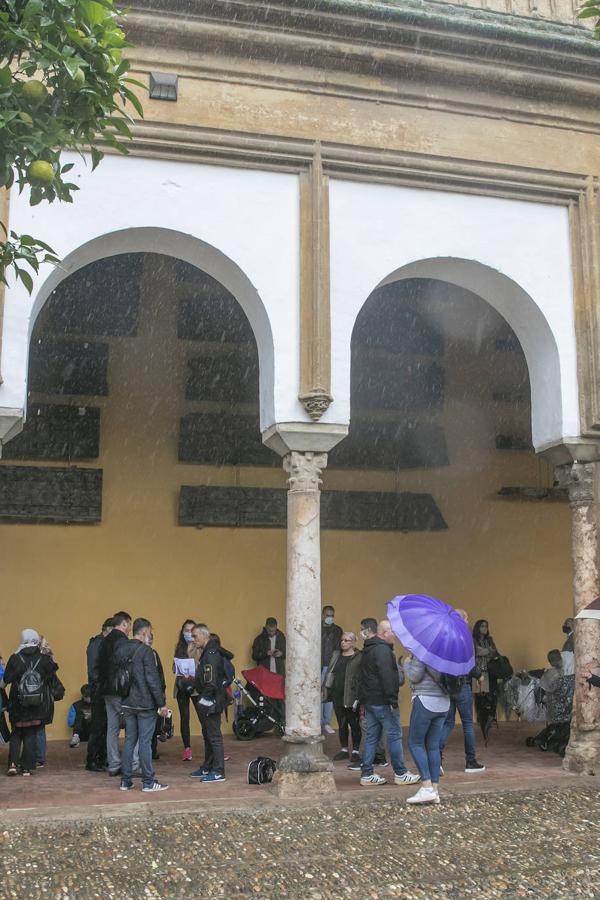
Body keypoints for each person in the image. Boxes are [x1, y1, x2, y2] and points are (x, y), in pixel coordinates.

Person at [358, 619, 420, 787]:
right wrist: (392, 700)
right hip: (383, 701)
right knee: (394, 735)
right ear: (384, 633)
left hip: (370, 700)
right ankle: (400, 773)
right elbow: (388, 677)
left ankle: (367, 774)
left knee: (372, 737)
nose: (396, 635)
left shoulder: (369, 648)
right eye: (393, 631)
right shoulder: (383, 650)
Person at [117, 617, 169, 793]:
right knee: (145, 742)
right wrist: (161, 703)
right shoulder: (147, 651)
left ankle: (125, 781)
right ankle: (148, 782)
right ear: (145, 632)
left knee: (129, 740)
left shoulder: (121, 649)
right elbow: (152, 679)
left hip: (127, 702)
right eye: (150, 632)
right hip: (145, 704)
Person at [3, 629, 57, 776]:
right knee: (31, 733)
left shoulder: (15, 658)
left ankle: (13, 764)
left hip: (17, 702)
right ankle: (26, 767)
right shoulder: (44, 659)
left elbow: (6, 679)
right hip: (36, 702)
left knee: (16, 733)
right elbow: (51, 675)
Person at [439, 609, 485, 774]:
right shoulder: (464, 638)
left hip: (447, 686)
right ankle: (470, 761)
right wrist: (479, 675)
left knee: (447, 723)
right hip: (462, 684)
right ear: (461, 619)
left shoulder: (444, 637)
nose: (468, 622)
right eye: (466, 618)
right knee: (467, 724)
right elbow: (469, 662)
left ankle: (436, 757)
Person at [405, 653, 450, 805]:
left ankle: (426, 786)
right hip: (444, 703)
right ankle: (435, 791)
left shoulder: (423, 651)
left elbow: (415, 676)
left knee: (415, 743)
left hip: (425, 700)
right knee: (433, 746)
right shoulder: (447, 653)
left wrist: (407, 663)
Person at [97, 611, 138, 776]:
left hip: (106, 690)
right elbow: (126, 666)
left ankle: (114, 764)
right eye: (129, 625)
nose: (130, 629)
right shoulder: (122, 641)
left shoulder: (104, 641)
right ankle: (134, 764)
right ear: (124, 624)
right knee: (133, 725)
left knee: (112, 728)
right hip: (119, 690)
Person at [189, 624, 232, 783]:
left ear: (204, 635)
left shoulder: (211, 654)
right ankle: (208, 766)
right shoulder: (208, 652)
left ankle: (218, 771)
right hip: (210, 698)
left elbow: (211, 681)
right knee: (207, 734)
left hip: (212, 700)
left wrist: (204, 700)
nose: (193, 640)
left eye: (195, 636)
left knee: (214, 736)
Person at [349, 618, 388, 771]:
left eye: (362, 629)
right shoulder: (374, 647)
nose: (360, 632)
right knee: (372, 727)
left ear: (368, 630)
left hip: (373, 696)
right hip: (371, 696)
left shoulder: (375, 648)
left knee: (369, 728)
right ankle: (374, 758)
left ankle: (372, 760)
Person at [324, 631, 362, 762]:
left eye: (346, 640)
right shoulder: (336, 655)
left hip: (351, 695)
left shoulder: (359, 657)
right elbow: (331, 672)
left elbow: (361, 677)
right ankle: (344, 749)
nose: (343, 643)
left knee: (354, 723)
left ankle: (355, 751)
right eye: (342, 640)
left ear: (353, 643)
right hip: (337, 694)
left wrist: (359, 695)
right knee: (342, 723)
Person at [85, 617, 113, 772]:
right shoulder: (97, 644)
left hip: (101, 689)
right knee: (98, 726)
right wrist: (100, 687)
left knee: (104, 726)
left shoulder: (101, 643)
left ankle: (101, 758)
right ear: (107, 629)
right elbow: (94, 670)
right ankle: (93, 759)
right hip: (99, 690)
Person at [36, 636, 64, 769]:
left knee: (35, 729)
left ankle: (36, 757)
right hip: (46, 699)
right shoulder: (49, 660)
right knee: (40, 728)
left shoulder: (35, 660)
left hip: (36, 697)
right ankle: (40, 758)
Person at [173, 619, 198, 761]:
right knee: (184, 717)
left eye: (191, 631)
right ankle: (187, 748)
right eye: (186, 630)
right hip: (182, 686)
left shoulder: (199, 646)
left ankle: (213, 746)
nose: (189, 633)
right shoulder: (179, 647)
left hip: (196, 687)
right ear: (182, 632)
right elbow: (174, 668)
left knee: (204, 717)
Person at [472, 619, 499, 742]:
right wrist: (488, 651)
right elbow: (475, 652)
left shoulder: (489, 639)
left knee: (491, 696)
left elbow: (495, 652)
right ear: (478, 627)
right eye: (482, 626)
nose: (484, 628)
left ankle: (490, 718)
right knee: (480, 697)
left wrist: (486, 652)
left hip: (489, 671)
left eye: (486, 626)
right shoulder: (473, 640)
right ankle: (482, 720)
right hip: (477, 672)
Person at [321, 606, 343, 734]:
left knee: (329, 695)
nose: (330, 618)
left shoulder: (337, 630)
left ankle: (326, 723)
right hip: (317, 665)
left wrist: (334, 666)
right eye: (328, 615)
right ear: (323, 615)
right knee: (317, 694)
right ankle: (318, 722)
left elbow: (338, 649)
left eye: (332, 615)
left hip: (331, 666)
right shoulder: (316, 628)